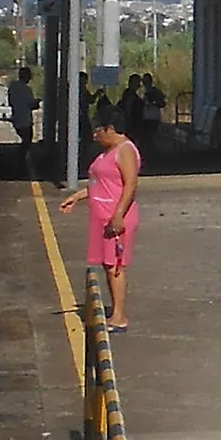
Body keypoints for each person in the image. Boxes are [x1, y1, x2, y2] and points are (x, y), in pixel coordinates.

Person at [61, 107, 141, 330]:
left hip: (116, 217)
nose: (95, 135)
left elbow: (131, 184)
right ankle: (115, 311)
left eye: (99, 130)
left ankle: (119, 316)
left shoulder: (125, 150)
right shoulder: (108, 152)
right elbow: (101, 185)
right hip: (103, 216)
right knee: (108, 264)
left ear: (111, 129)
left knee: (115, 265)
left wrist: (118, 215)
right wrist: (77, 197)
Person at [4, 66, 36, 159]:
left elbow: (11, 102)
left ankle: (21, 159)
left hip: (16, 118)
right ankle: (19, 161)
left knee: (25, 141)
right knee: (27, 142)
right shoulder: (27, 90)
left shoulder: (13, 87)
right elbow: (31, 104)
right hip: (25, 120)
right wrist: (36, 102)